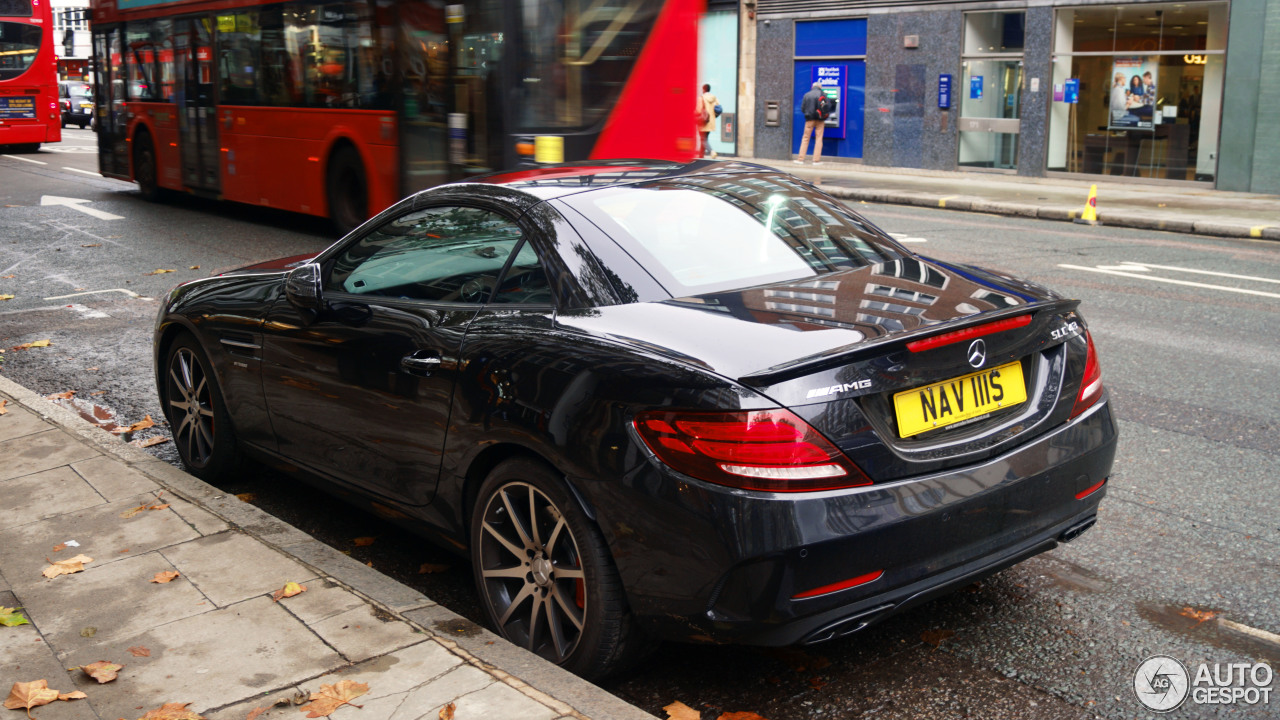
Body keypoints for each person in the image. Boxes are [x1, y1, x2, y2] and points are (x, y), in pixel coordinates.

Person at [796, 82, 826, 165]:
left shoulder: (807, 95)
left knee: (805, 138)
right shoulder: (822, 94)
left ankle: (800, 159)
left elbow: (802, 108)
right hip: (820, 120)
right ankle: (816, 160)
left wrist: (808, 114)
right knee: (819, 139)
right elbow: (824, 107)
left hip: (809, 120)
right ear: (820, 87)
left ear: (813, 87)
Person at [697, 83, 718, 158]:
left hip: (703, 122)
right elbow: (717, 109)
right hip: (711, 122)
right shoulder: (714, 98)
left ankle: (711, 151)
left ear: (703, 89)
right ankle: (700, 156)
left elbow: (698, 110)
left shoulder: (701, 98)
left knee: (703, 139)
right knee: (704, 139)